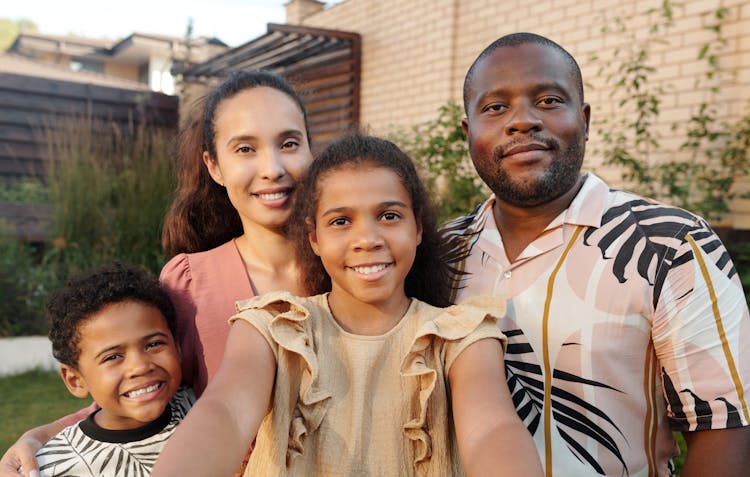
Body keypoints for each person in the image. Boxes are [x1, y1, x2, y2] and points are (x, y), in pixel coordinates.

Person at [442, 32, 750, 476]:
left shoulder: (669, 245)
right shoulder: (438, 252)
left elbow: (725, 427)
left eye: (548, 100)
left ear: (584, 119)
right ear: (468, 133)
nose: (522, 121)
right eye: (495, 107)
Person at [152, 134, 544, 476]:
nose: (367, 239)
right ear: (314, 238)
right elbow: (226, 411)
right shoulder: (271, 329)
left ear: (419, 227)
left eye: (389, 216)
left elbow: (491, 429)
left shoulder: (462, 337)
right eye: (341, 221)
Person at [0, 70, 314, 477]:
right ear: (214, 166)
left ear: (311, 149)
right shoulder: (191, 282)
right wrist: (42, 436)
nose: (272, 167)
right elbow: (144, 388)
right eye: (245, 149)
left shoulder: (355, 267)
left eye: (289, 143)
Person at [33, 263, 194, 477]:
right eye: (113, 357)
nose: (140, 367)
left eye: (154, 344)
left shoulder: (200, 404)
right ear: (75, 380)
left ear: (178, 347)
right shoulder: (54, 466)